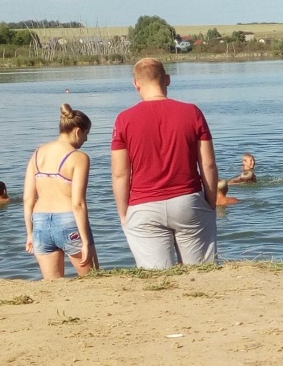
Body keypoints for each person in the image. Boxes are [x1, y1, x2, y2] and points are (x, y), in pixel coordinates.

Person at [111, 57, 219, 267]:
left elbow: (120, 174)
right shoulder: (192, 112)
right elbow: (208, 165)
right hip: (188, 201)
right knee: (202, 273)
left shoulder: (124, 119)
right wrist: (210, 204)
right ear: (168, 80)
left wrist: (124, 213)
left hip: (143, 206)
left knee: (158, 278)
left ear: (136, 83)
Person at [23, 102, 97, 279]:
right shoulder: (79, 158)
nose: (85, 140)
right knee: (93, 282)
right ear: (78, 131)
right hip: (68, 221)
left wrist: (30, 234)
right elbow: (78, 203)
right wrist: (85, 242)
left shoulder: (37, 154)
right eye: (86, 134)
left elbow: (28, 199)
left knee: (53, 288)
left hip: (40, 223)